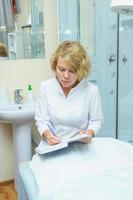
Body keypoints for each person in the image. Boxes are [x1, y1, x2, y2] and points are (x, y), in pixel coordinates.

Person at [35, 40, 103, 146]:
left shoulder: (91, 90)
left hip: (80, 145)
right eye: (61, 69)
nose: (66, 76)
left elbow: (96, 121)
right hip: (53, 145)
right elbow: (41, 120)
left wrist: (89, 133)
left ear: (81, 70)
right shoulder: (46, 87)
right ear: (55, 66)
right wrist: (48, 135)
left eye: (72, 71)